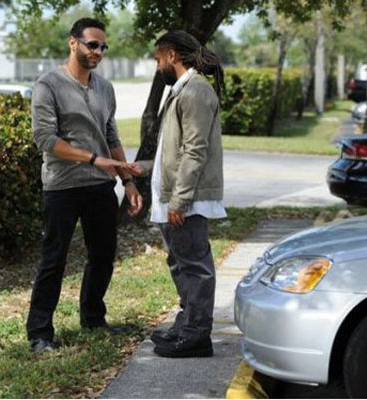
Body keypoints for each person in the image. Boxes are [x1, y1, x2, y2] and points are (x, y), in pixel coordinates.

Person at [26, 17, 143, 354]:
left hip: (101, 186)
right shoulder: (48, 85)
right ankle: (39, 332)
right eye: (93, 44)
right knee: (54, 259)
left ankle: (93, 318)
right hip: (62, 186)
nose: (98, 51)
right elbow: (45, 139)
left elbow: (111, 136)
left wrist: (128, 181)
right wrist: (93, 159)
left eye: (103, 46)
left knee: (103, 255)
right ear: (73, 42)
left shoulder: (105, 88)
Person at [131, 30, 226, 358]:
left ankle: (197, 335)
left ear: (172, 55)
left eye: (158, 58)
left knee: (195, 267)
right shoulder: (182, 90)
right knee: (181, 263)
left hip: (187, 200)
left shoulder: (195, 91)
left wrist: (180, 200)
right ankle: (186, 324)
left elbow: (195, 150)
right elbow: (172, 150)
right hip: (173, 197)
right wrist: (144, 169)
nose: (157, 66)